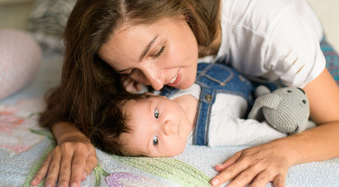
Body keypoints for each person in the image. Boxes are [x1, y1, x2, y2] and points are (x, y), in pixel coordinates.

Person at [30, 0, 339, 187]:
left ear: (183, 7)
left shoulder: (278, 31)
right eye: (130, 71)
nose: (156, 83)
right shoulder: (133, 37)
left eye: (157, 52)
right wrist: (71, 135)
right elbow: (68, 100)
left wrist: (285, 151)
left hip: (289, 34)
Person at [90, 62, 291, 157]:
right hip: (264, 93)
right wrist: (287, 128)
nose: (166, 127)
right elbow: (258, 133)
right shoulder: (214, 132)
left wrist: (134, 84)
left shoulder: (161, 85)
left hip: (238, 61)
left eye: (157, 114)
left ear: (151, 96)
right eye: (155, 141)